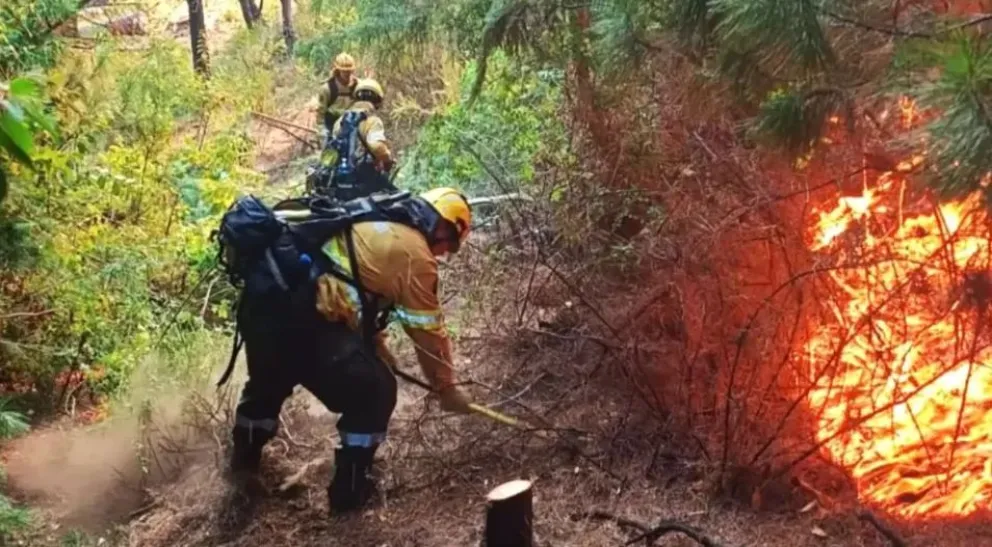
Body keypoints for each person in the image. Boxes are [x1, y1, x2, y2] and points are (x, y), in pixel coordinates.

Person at [227, 188, 474, 515]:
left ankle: (240, 471)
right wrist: (446, 387)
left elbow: (353, 288)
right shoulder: (415, 254)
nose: (444, 254)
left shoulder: (372, 222)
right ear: (442, 226)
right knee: (376, 390)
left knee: (266, 386)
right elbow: (428, 332)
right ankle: (350, 496)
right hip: (305, 320)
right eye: (449, 245)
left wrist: (377, 345)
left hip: (262, 307)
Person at [324, 77, 396, 200]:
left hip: (339, 184)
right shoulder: (372, 121)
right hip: (365, 183)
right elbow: (377, 147)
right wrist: (388, 159)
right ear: (378, 101)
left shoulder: (340, 121)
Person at [316, 52, 359, 135]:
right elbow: (321, 112)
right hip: (331, 124)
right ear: (338, 70)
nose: (347, 74)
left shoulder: (358, 85)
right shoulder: (327, 88)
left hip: (352, 123)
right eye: (344, 71)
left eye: (349, 71)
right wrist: (321, 129)